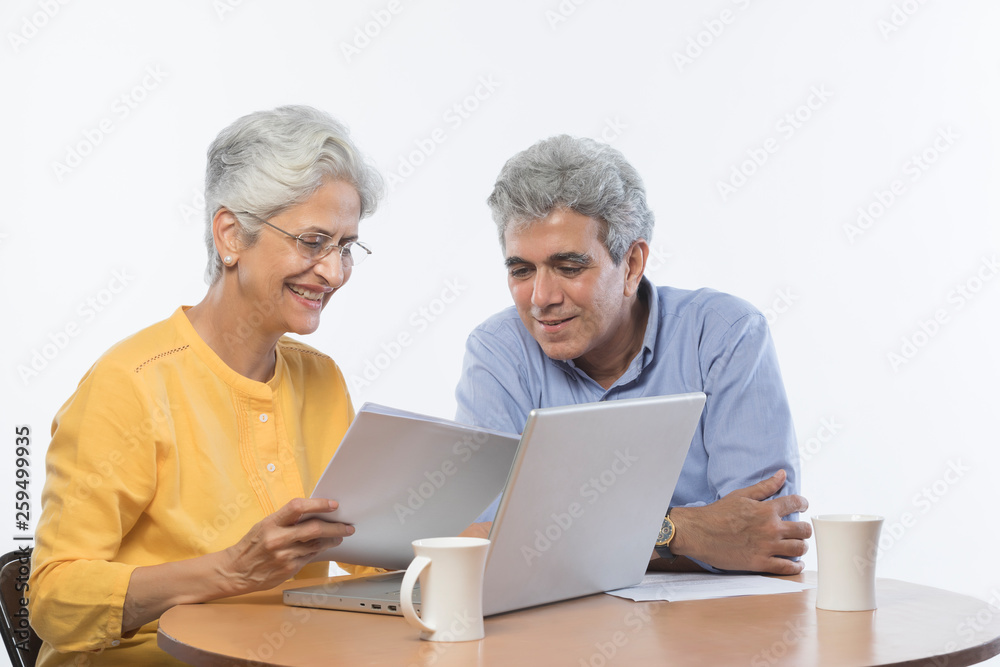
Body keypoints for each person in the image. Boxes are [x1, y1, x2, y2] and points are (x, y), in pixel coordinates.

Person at [28, 105, 384, 666]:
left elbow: (364, 553)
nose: (334, 273)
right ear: (230, 236)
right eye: (313, 241)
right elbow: (52, 600)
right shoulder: (132, 383)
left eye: (345, 248)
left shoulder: (321, 379)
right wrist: (231, 570)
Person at [455, 135, 811, 575]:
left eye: (569, 268)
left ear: (632, 265)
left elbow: (767, 538)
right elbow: (479, 544)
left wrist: (558, 540)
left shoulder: (725, 334)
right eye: (521, 270)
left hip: (716, 632)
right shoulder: (498, 351)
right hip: (552, 637)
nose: (541, 297)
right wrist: (682, 530)